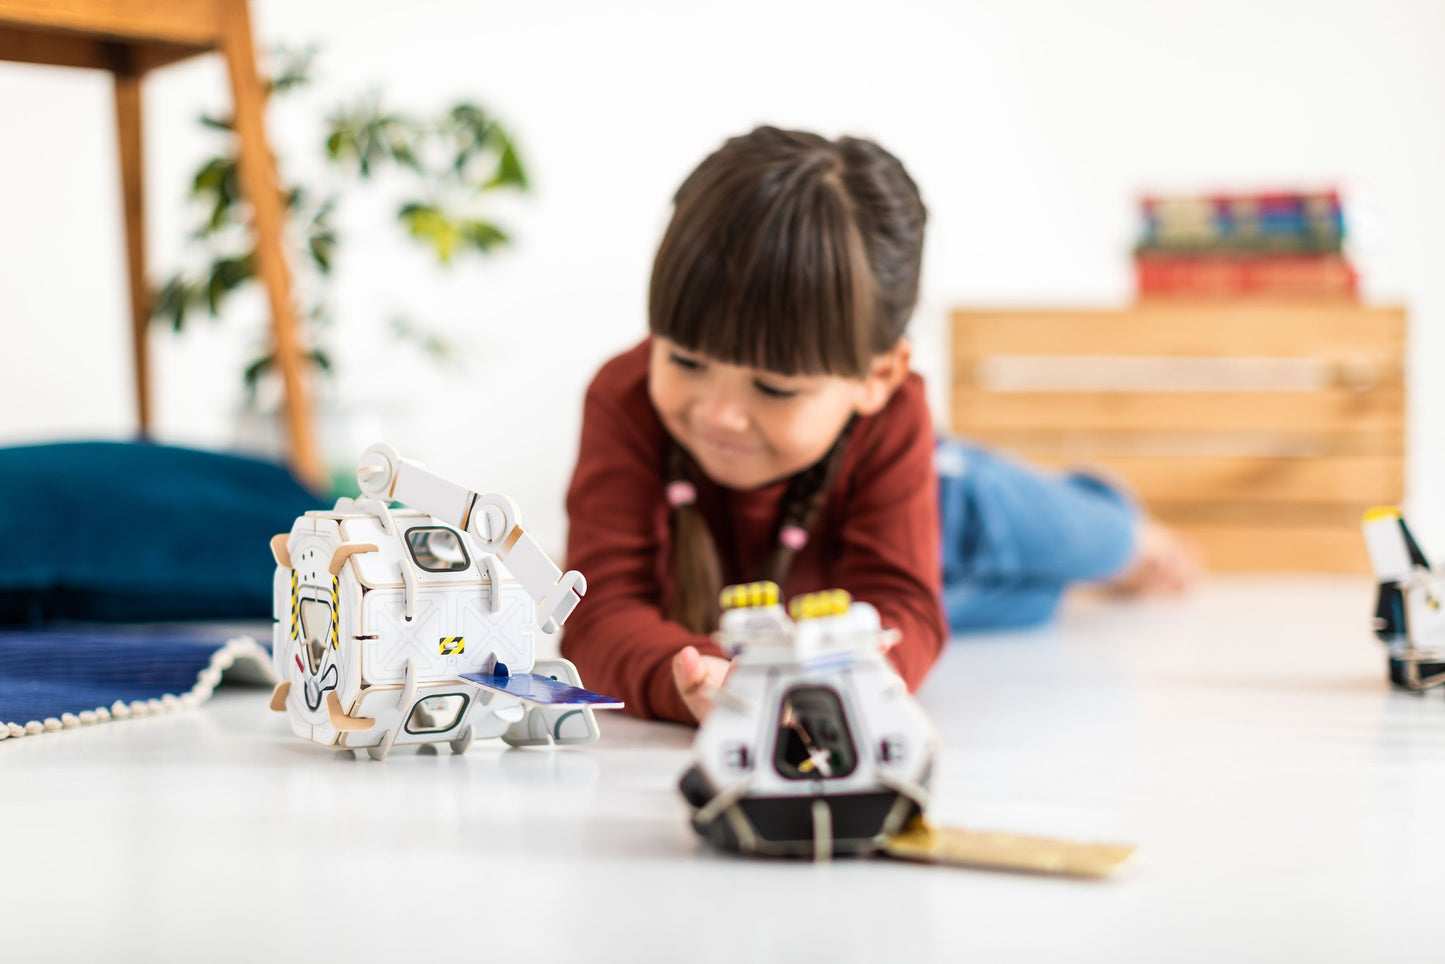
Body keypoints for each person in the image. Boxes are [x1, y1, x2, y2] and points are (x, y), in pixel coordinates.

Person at [561, 126, 1194, 726]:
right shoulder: (624, 397)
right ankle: (1064, 586)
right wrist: (705, 682)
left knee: (1102, 542)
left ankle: (1125, 531)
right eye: (684, 360)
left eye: (776, 387)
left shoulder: (893, 420)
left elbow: (905, 606)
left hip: (951, 511)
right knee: (1022, 607)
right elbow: (599, 617)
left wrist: (820, 692)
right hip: (837, 594)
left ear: (879, 377)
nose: (719, 412)